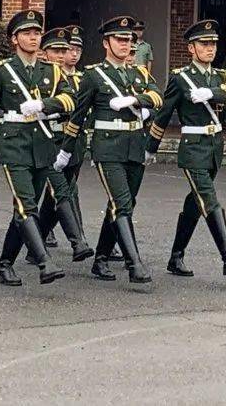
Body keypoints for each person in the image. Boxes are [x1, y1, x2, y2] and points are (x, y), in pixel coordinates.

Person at [0, 10, 76, 287]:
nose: (33, 37)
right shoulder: (2, 71)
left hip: (42, 144)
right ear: (15, 39)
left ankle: (5, 265)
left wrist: (44, 106)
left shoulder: (50, 69)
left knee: (23, 210)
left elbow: (71, 99)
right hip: (13, 143)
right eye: (27, 33)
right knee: (27, 205)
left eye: (36, 33)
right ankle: (44, 262)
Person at [57, 16, 163, 284]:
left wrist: (136, 99)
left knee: (122, 205)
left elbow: (157, 97)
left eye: (129, 40)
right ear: (106, 43)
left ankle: (102, 258)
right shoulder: (93, 76)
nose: (126, 44)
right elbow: (78, 116)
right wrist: (66, 150)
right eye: (120, 39)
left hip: (135, 146)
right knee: (122, 203)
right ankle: (134, 263)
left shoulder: (139, 73)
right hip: (108, 147)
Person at [151, 19, 226, 278]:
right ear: (191, 48)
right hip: (192, 147)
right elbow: (163, 113)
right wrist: (151, 147)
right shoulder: (181, 78)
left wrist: (212, 93)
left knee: (196, 202)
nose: (210, 49)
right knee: (208, 197)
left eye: (213, 44)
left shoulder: (222, 76)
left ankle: (176, 257)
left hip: (214, 146)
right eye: (204, 44)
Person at [29, 28, 94, 265]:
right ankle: (78, 241)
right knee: (60, 192)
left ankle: (38, 240)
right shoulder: (38, 76)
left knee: (57, 195)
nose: (66, 54)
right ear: (44, 53)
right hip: (48, 140)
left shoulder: (79, 79)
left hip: (73, 141)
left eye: (66, 50)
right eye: (58, 50)